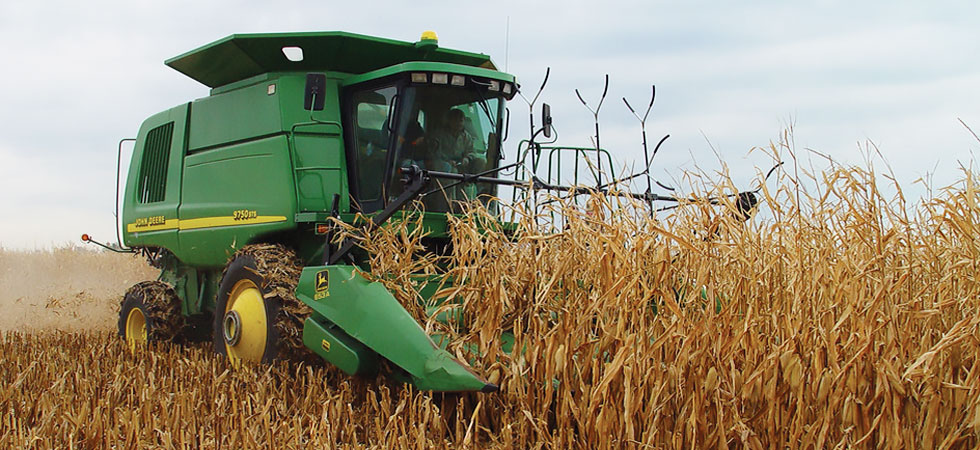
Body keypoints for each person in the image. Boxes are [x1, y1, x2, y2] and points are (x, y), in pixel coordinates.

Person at [428, 108, 485, 174]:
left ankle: (474, 183)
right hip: (444, 165)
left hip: (461, 164)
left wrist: (467, 158)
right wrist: (447, 161)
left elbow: (471, 151)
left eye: (461, 120)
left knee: (481, 162)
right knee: (452, 170)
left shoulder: (466, 136)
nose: (459, 123)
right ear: (449, 121)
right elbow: (434, 153)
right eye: (456, 120)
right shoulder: (439, 135)